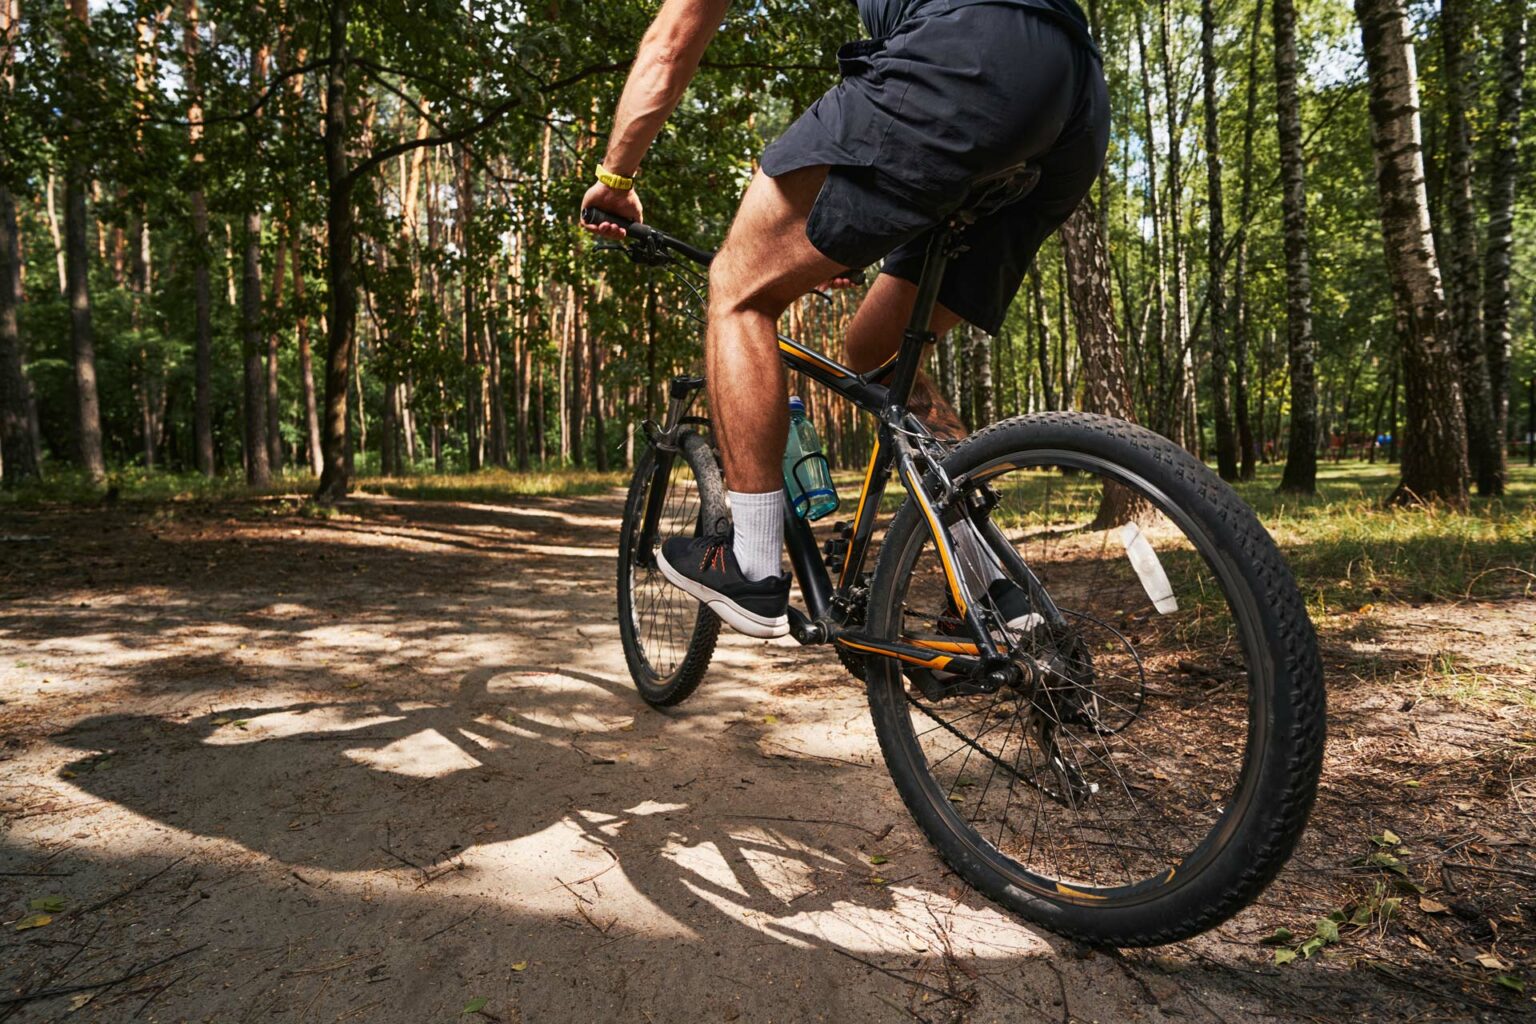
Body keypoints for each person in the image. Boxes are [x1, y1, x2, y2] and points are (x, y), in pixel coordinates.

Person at [580, 0, 1109, 639]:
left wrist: (616, 177)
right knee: (875, 352)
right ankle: (988, 590)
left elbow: (669, 45)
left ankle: (749, 562)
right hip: (1074, 98)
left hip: (966, 58)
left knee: (736, 290)